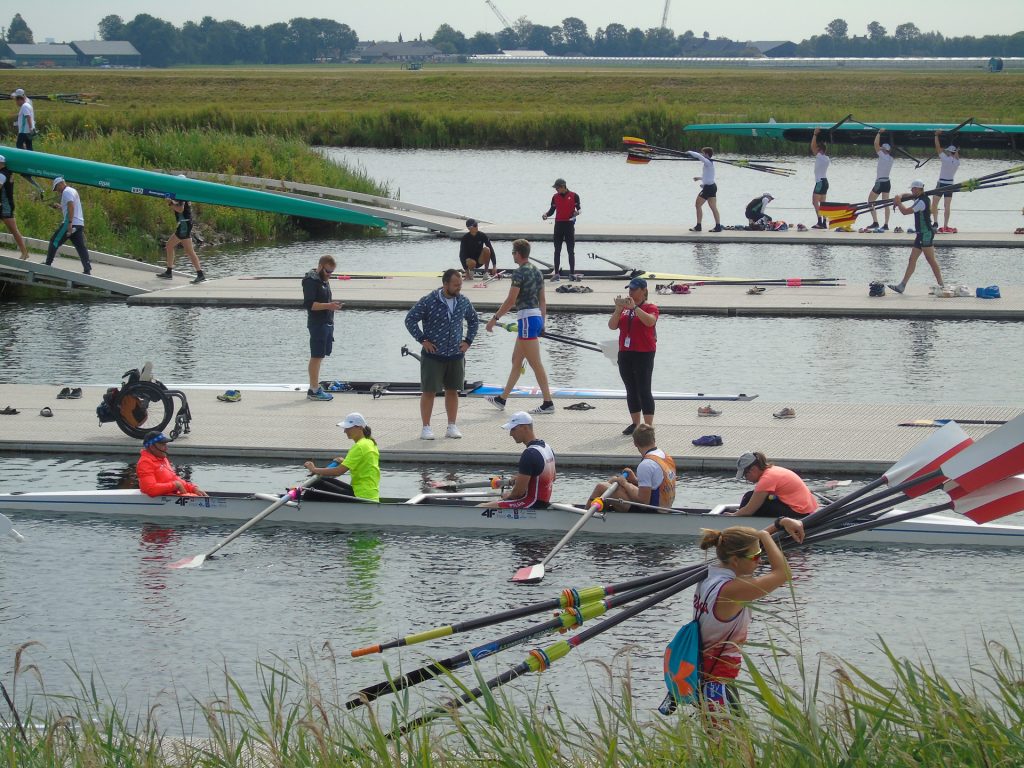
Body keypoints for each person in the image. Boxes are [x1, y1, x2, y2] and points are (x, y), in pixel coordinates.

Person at [692, 518, 806, 714]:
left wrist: (779, 523)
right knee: (727, 744)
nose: (760, 560)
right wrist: (763, 535)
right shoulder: (732, 590)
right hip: (717, 683)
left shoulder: (710, 577)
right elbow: (783, 574)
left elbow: (745, 545)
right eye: (756, 556)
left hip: (706, 675)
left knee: (730, 743)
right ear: (735, 560)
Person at [404, 268, 479, 440]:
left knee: (453, 390)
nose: (459, 288)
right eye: (455, 285)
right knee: (429, 391)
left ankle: (451, 426)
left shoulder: (463, 301)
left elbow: (473, 320)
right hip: (433, 355)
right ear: (445, 284)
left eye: (460, 284)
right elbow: (410, 319)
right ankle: (426, 427)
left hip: (455, 354)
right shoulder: (429, 301)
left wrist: (468, 341)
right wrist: (422, 340)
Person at [484, 239, 554, 415]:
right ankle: (502, 399)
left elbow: (511, 301)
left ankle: (548, 403)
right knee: (516, 360)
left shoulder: (519, 273)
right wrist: (543, 323)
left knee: (535, 363)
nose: (512, 255)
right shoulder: (537, 272)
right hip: (535, 319)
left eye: (513, 253)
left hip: (527, 321)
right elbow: (543, 301)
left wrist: (494, 319)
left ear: (518, 253)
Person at [587, 424, 676, 512]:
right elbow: (655, 484)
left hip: (651, 512)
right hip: (664, 507)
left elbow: (644, 502)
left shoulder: (646, 464)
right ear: (654, 439)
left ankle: (583, 517)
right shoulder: (666, 457)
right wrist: (634, 480)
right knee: (614, 481)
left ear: (635, 443)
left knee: (601, 487)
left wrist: (625, 484)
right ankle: (601, 512)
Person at [610, 277, 659, 435]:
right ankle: (635, 423)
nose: (630, 292)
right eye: (629, 289)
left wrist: (635, 308)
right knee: (631, 389)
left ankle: (648, 425)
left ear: (643, 290)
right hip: (625, 352)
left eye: (633, 289)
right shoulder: (624, 308)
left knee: (644, 388)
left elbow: (650, 322)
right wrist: (618, 309)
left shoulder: (651, 307)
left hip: (644, 353)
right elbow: (612, 326)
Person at [304, 412, 380, 502]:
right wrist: (344, 461)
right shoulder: (370, 443)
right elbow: (363, 463)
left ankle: (299, 507)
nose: (345, 431)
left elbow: (338, 471)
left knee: (316, 484)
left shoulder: (360, 446)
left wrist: (314, 469)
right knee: (323, 479)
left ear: (359, 427)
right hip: (368, 493)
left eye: (348, 428)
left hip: (361, 496)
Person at [888, 179, 944, 295]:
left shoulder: (921, 202)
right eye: (911, 189)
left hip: (926, 234)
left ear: (919, 189)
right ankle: (902, 286)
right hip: (920, 235)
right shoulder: (919, 197)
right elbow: (906, 195)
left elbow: (905, 211)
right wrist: (899, 196)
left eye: (913, 189)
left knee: (931, 260)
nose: (912, 191)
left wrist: (898, 203)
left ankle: (941, 285)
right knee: (912, 260)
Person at [495, 411, 555, 509]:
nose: (510, 434)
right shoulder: (547, 447)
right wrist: (520, 479)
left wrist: (508, 496)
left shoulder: (529, 454)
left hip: (530, 504)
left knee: (482, 507)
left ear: (525, 428)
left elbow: (518, 493)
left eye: (513, 429)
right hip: (543, 504)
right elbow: (553, 478)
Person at [302, 255, 342, 401]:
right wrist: (329, 306)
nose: (329, 275)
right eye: (327, 271)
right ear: (320, 266)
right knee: (316, 355)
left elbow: (325, 301)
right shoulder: (310, 281)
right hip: (317, 324)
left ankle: (316, 386)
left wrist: (332, 305)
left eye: (332, 272)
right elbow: (310, 304)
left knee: (321, 356)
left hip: (326, 323)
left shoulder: (323, 280)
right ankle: (313, 389)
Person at [731, 451, 818, 518]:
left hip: (799, 514)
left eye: (745, 475)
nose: (746, 479)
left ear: (753, 469)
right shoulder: (773, 470)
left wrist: (731, 516)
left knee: (748, 497)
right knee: (751, 497)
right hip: (807, 510)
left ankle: (741, 525)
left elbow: (748, 511)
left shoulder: (767, 479)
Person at [136, 431, 207, 497]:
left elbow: (174, 478)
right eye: (163, 445)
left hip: (171, 498)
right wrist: (175, 485)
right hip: (164, 502)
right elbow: (150, 489)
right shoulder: (145, 463)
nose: (166, 448)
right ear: (152, 447)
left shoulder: (162, 459)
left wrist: (193, 488)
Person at [44, 177, 91, 274]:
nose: (57, 191)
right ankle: (87, 269)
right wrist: (61, 207)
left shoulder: (66, 192)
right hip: (79, 224)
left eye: (56, 188)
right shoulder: (72, 190)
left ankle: (47, 264)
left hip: (70, 223)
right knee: (81, 247)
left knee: (54, 241)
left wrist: (69, 223)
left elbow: (71, 206)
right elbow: (71, 207)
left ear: (60, 184)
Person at [157, 194, 205, 283]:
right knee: (170, 246)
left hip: (184, 225)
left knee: (188, 251)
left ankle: (200, 274)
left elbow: (180, 209)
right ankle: (169, 272)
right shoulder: (180, 195)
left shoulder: (181, 196)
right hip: (184, 224)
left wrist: (170, 203)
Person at [541, 178, 581, 279]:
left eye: (557, 188)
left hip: (569, 225)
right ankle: (556, 274)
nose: (556, 190)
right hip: (558, 225)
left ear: (563, 186)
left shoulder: (574, 196)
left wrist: (577, 213)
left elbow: (579, 209)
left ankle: (572, 274)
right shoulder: (555, 197)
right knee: (557, 250)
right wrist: (546, 214)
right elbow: (551, 211)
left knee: (570, 250)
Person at [0, 154, 31, 260]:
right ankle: (24, 252)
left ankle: (24, 252)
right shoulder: (7, 172)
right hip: (4, 205)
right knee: (13, 229)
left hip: (5, 206)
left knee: (13, 229)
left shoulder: (3, 174)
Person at [931, 131, 961, 233]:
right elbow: (956, 155)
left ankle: (935, 222)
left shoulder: (945, 159)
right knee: (947, 206)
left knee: (934, 203)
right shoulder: (957, 162)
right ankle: (945, 225)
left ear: (949, 152)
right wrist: (957, 150)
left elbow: (937, 147)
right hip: (950, 184)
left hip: (941, 183)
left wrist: (936, 135)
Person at [687, 147, 722, 233]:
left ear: (706, 154)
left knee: (697, 205)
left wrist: (689, 152)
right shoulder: (710, 164)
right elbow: (708, 177)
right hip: (712, 186)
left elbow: (699, 157)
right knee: (713, 207)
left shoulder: (708, 162)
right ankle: (718, 226)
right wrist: (700, 178)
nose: (702, 155)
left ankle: (698, 226)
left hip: (709, 188)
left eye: (704, 153)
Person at [868, 131, 895, 231]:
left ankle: (875, 222)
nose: (880, 149)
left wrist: (879, 133)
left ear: (884, 150)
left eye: (882, 149)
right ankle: (886, 225)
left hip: (880, 183)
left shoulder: (882, 155)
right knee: (886, 204)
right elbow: (878, 147)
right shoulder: (891, 159)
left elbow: (875, 144)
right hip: (887, 183)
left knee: (870, 201)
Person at [810, 128, 830, 229]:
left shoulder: (820, 156)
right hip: (825, 182)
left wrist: (815, 134)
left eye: (817, 148)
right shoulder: (826, 158)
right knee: (823, 203)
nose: (815, 149)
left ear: (819, 150)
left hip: (820, 182)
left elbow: (812, 147)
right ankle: (824, 222)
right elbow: (819, 147)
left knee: (814, 202)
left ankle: (819, 222)